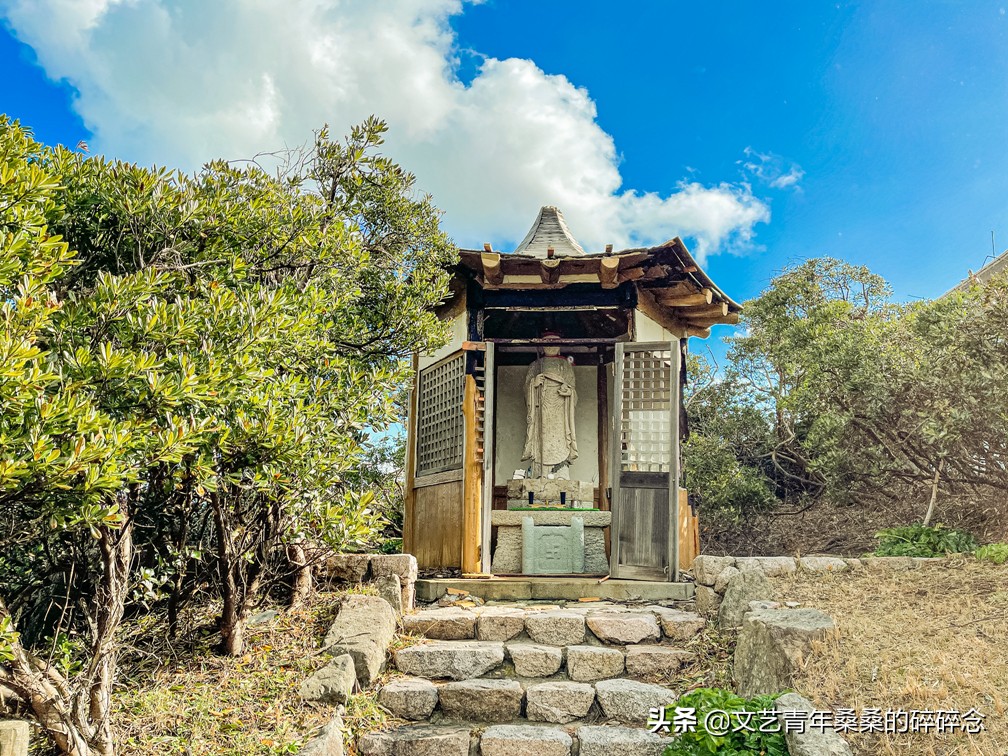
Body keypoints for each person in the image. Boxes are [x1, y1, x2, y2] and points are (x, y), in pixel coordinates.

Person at [522, 333, 578, 478]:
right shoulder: (535, 366)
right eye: (547, 343)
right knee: (540, 435)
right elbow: (526, 389)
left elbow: (573, 388)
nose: (551, 346)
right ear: (541, 346)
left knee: (561, 437)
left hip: (560, 411)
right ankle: (539, 472)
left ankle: (561, 468)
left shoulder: (565, 365)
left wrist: (568, 392)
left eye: (554, 343)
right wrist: (534, 384)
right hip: (541, 408)